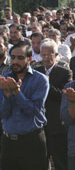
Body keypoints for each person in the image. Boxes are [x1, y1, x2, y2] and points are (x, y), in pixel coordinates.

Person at [0, 41, 49, 170]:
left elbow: (32, 111)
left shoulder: (40, 80)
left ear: (30, 59)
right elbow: (3, 114)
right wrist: (6, 95)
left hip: (32, 142)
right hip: (8, 142)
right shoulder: (5, 79)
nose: (15, 61)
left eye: (20, 58)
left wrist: (16, 92)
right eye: (13, 57)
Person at [33, 39, 73, 170]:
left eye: (48, 55)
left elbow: (63, 96)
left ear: (56, 55)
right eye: (43, 55)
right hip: (38, 124)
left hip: (56, 125)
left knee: (60, 161)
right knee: (40, 161)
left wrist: (46, 83)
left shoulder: (65, 72)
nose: (45, 58)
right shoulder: (36, 71)